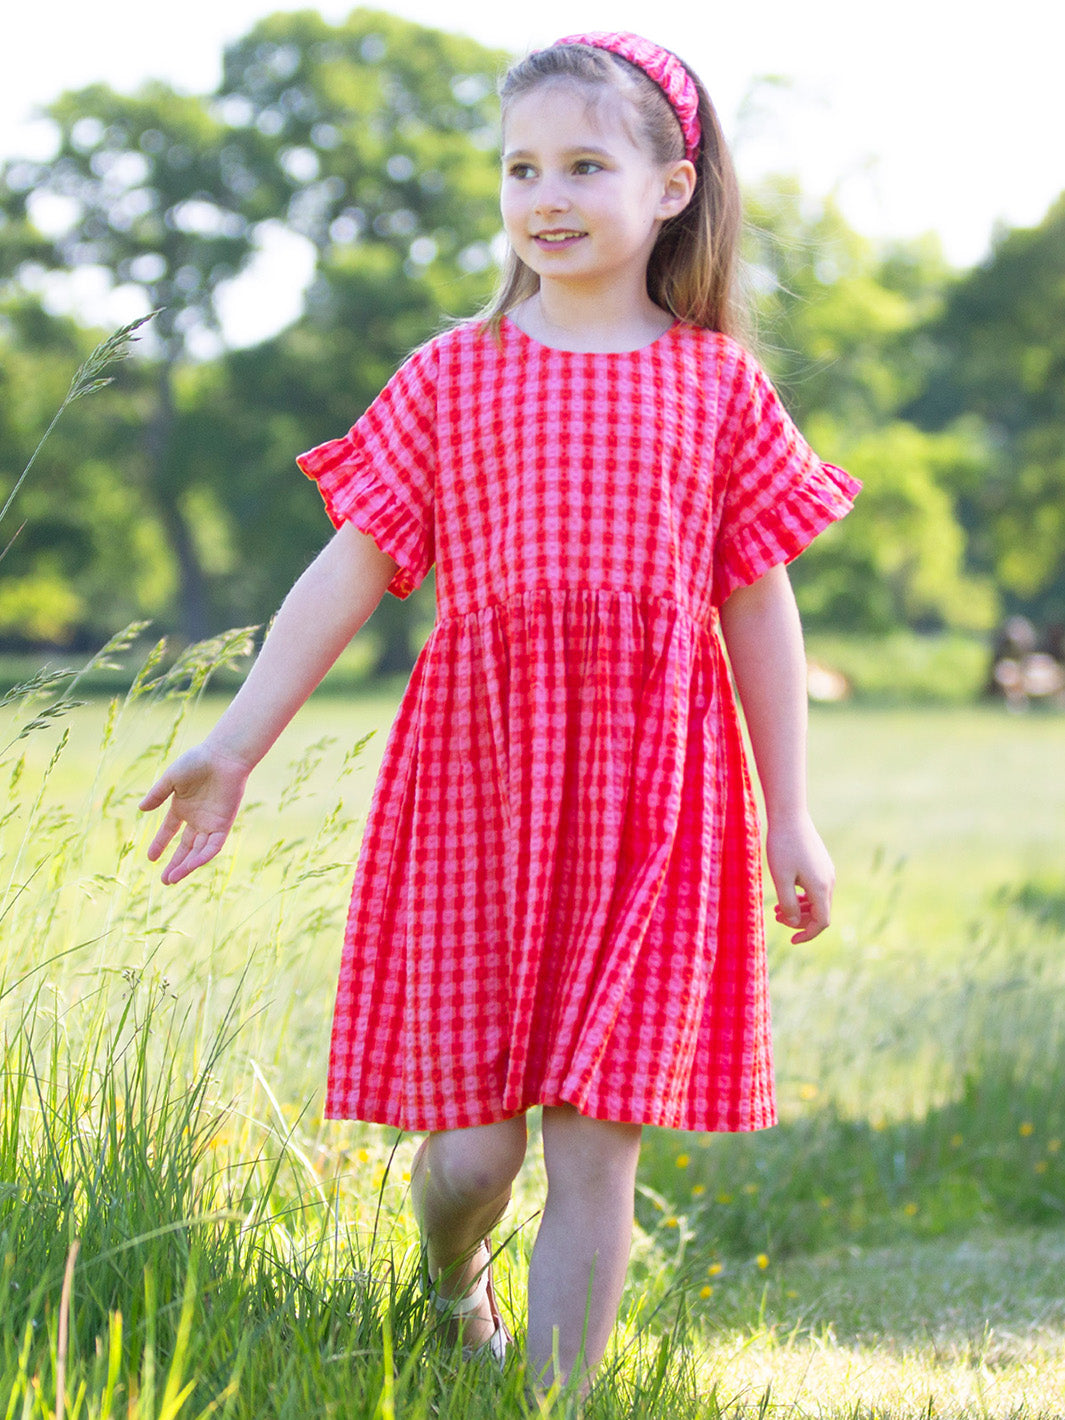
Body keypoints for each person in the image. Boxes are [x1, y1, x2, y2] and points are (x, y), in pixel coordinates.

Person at [140, 30, 859, 1395]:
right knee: (472, 1156)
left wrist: (792, 818)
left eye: (584, 163)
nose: (546, 194)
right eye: (521, 167)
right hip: (481, 784)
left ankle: (558, 1399)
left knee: (598, 1136)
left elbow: (758, 608)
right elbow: (346, 567)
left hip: (655, 792)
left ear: (667, 188)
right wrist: (234, 742)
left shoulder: (713, 385)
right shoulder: (449, 373)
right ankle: (452, 1280)